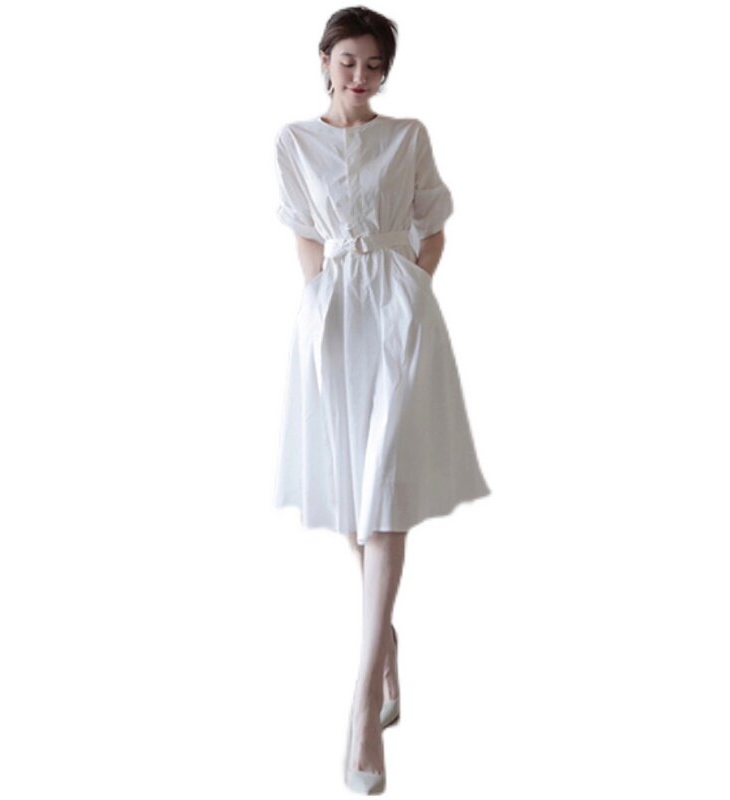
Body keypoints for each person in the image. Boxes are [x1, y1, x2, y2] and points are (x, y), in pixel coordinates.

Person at [272, 6, 491, 794]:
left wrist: (414, 289)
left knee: (387, 485)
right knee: (351, 488)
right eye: (349, 61)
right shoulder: (293, 142)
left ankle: (364, 704)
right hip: (332, 317)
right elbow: (303, 228)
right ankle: (385, 640)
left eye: (374, 65)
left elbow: (435, 222)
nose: (361, 76)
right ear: (325, 60)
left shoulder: (408, 137)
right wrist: (320, 300)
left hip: (399, 313)